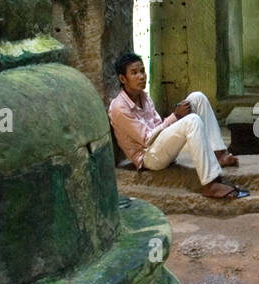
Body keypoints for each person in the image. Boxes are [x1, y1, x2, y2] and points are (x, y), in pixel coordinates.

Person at [107, 52, 249, 199]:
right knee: (192, 121)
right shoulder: (119, 108)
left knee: (197, 98)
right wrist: (175, 116)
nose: (141, 76)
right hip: (148, 157)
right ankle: (210, 184)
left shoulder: (144, 96)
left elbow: (158, 125)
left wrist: (174, 121)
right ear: (123, 78)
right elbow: (146, 139)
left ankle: (218, 155)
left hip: (159, 145)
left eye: (142, 71)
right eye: (134, 73)